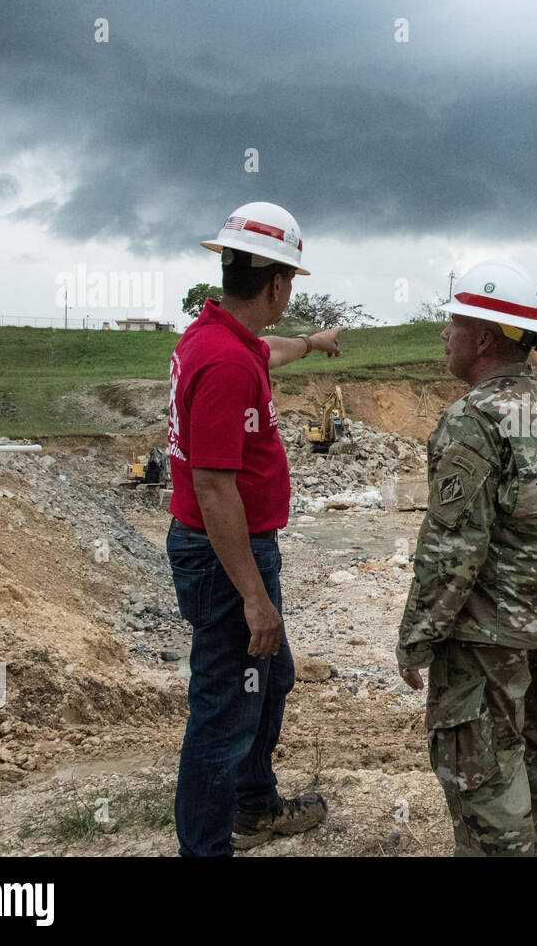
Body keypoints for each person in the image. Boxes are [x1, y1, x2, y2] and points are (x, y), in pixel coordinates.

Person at [396, 259, 537, 856]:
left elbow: (453, 547)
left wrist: (417, 638)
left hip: (487, 641)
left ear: (484, 338)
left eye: (453, 324)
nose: (443, 335)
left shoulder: (473, 420)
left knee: (486, 789)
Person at [167, 201, 341, 856]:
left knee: (270, 678)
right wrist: (253, 595)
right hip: (226, 560)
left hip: (228, 554)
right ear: (276, 284)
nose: (289, 293)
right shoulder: (229, 365)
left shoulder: (214, 339)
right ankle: (208, 844)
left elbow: (269, 349)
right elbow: (214, 488)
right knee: (221, 720)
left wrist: (314, 344)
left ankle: (253, 805)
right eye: (290, 281)